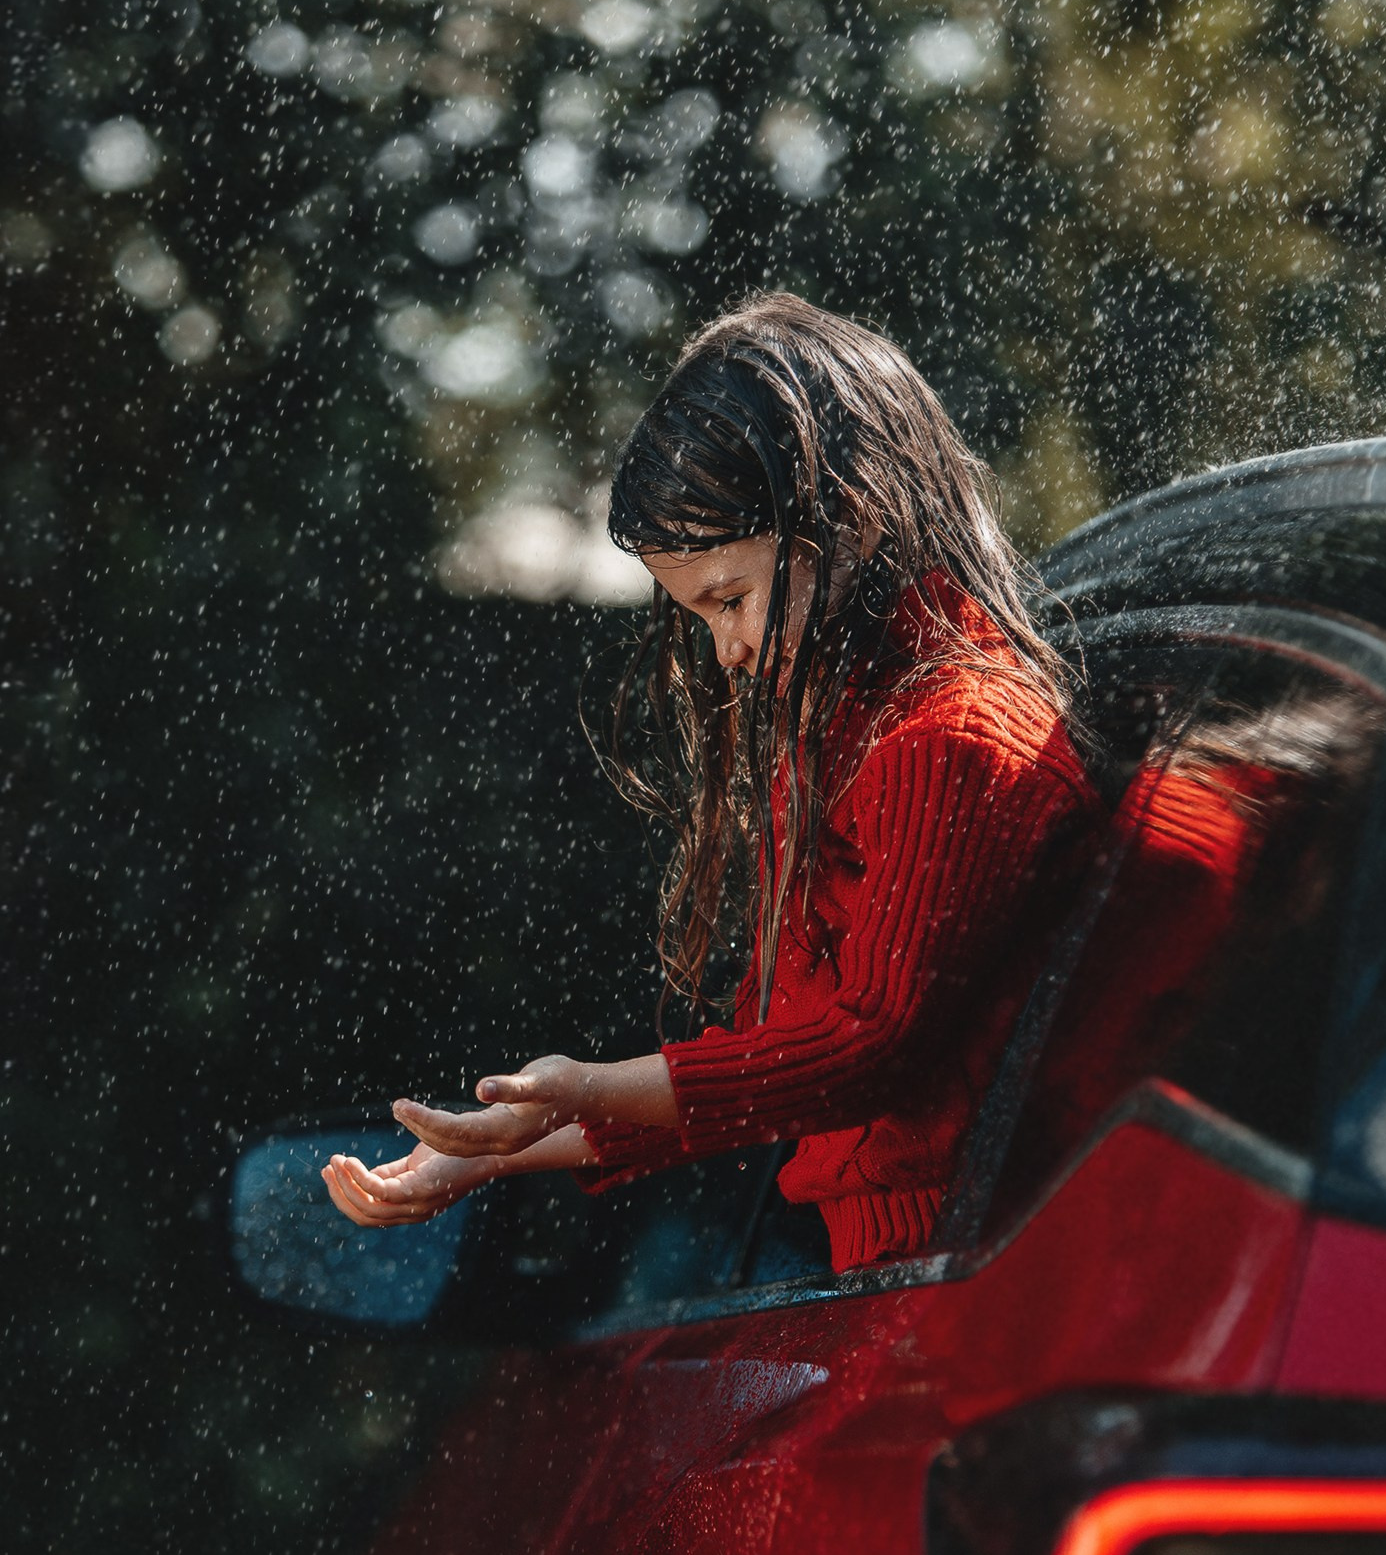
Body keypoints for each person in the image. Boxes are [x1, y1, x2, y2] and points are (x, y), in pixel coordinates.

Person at [322, 293, 1100, 1274]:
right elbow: (773, 1066)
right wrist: (492, 1154)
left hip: (985, 1282)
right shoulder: (845, 744)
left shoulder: (952, 737)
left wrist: (589, 1086)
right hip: (907, 1284)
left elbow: (862, 1047)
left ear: (850, 517)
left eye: (730, 599)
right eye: (698, 616)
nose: (726, 649)